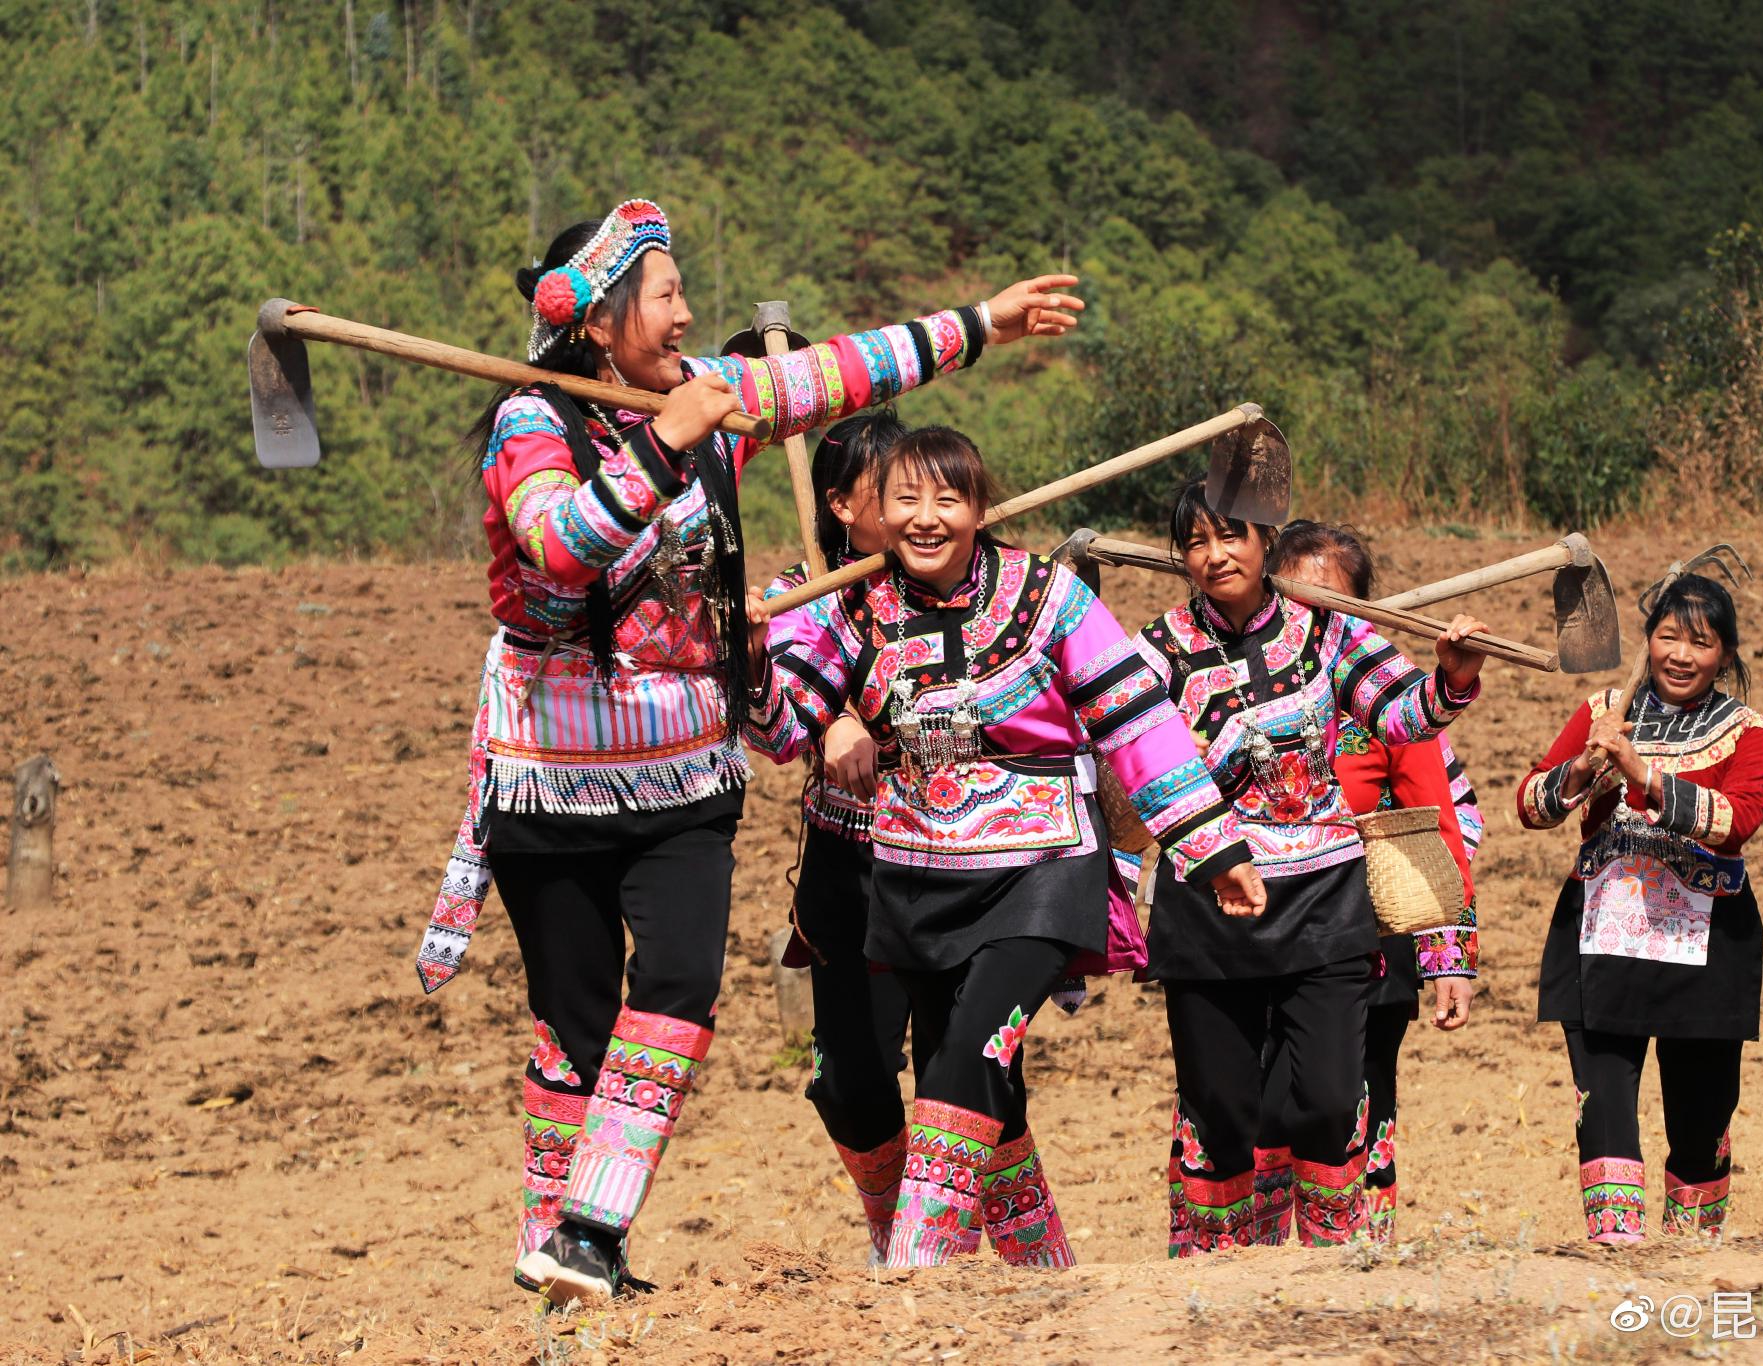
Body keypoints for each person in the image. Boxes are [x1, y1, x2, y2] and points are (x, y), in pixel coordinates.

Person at [410, 195, 1088, 1303]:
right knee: (574, 1017)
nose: (684, 315)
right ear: (598, 315)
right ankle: (562, 1250)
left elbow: (837, 374)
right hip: (551, 773)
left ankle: (591, 1223)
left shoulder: (704, 400)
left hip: (683, 772)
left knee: (678, 982)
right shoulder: (532, 422)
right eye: (664, 294)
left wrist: (983, 323)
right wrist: (658, 450)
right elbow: (554, 545)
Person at [748, 429, 1263, 1268]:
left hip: (1039, 869)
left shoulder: (1048, 596)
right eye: (904, 501)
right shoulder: (848, 606)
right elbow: (779, 731)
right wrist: (748, 650)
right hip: (909, 873)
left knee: (967, 1052)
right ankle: (1042, 1276)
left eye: (946, 500)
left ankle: (917, 1270)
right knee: (959, 1075)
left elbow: (1136, 719)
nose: (924, 519)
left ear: (981, 509)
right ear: (871, 512)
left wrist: (1210, 848)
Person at [1130, 483, 1491, 1255]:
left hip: (1325, 896)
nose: (1215, 554)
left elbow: (1399, 715)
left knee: (1330, 1099)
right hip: (1210, 902)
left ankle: (1334, 1265)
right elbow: (1125, 757)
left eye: (1230, 536)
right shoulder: (1155, 650)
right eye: (1195, 542)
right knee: (1221, 1108)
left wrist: (1450, 677)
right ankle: (1223, 1276)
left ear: (1265, 542)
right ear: (1180, 558)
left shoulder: (1324, 634)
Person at [1517, 573, 1763, 1244]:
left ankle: (1691, 1253)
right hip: (1602, 936)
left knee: (1702, 1112)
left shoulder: (1747, 732)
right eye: (1668, 636)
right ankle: (1619, 1252)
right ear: (1648, 642)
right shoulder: (1604, 710)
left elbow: (1736, 820)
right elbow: (1529, 805)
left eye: (1701, 641)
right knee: (1601, 1102)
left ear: (1725, 654)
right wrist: (1578, 771)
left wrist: (1643, 775)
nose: (1681, 655)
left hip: (1706, 949)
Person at [1249, 520, 1481, 1246]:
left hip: (1367, 925)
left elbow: (1434, 817)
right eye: (1295, 596)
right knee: (1247, 1088)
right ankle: (1244, 1254)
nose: (1312, 616)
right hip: (1256, 919)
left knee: (1358, 1086)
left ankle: (1355, 1252)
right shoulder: (1234, 676)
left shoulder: (1386, 692)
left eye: (1333, 602)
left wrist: (1451, 955)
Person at [752, 412, 916, 1263]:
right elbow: (780, 711)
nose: (920, 509)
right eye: (897, 490)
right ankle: (893, 1228)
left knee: (979, 1071)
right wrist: (830, 726)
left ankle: (1012, 1246)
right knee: (848, 1082)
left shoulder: (959, 583)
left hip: (966, 864)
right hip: (852, 872)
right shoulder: (798, 597)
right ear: (844, 504)